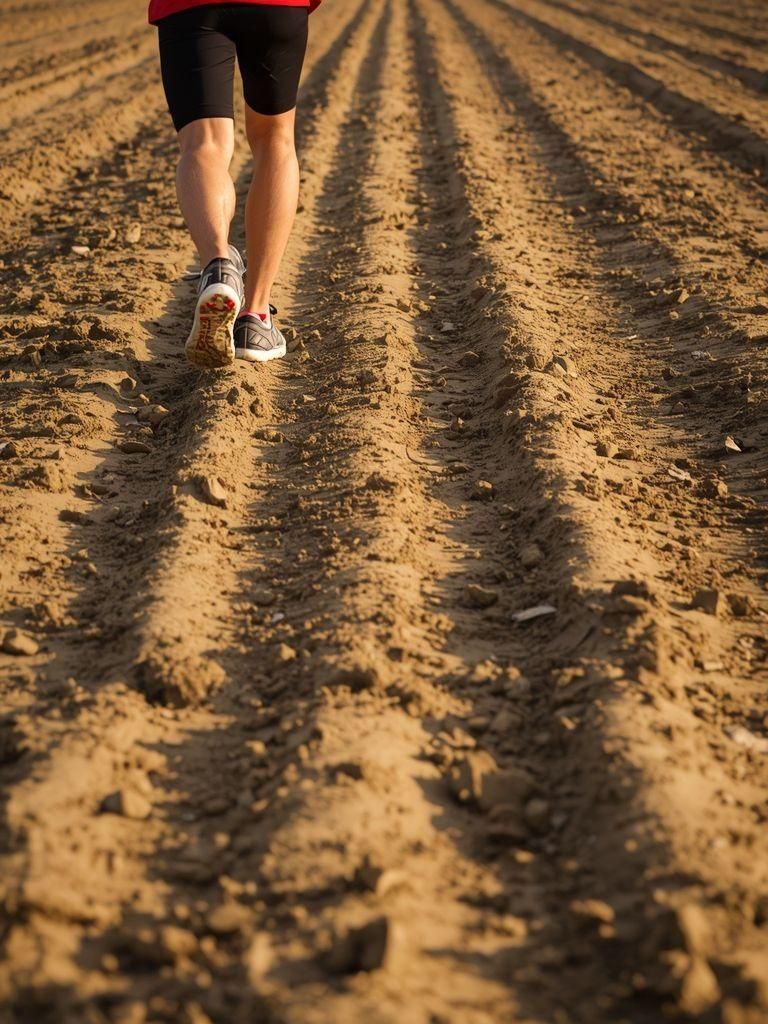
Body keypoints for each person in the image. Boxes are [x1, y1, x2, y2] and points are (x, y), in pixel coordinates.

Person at [148, 0, 322, 368]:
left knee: (204, 143)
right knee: (275, 140)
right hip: (277, 6)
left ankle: (219, 266)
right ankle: (256, 317)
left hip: (190, 7)